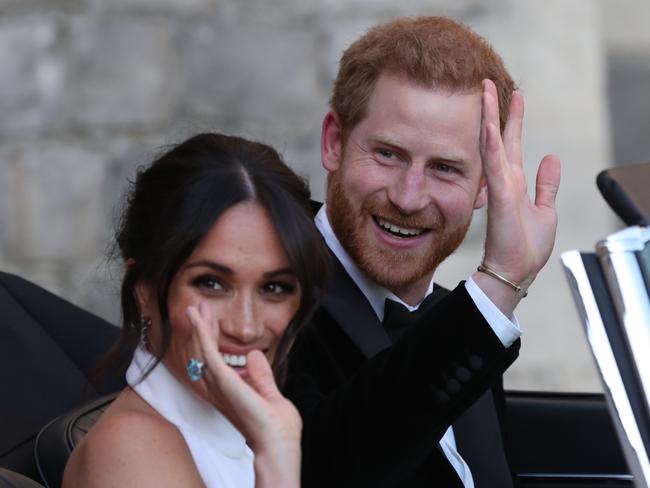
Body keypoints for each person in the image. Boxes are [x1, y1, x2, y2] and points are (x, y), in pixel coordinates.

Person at [284, 16, 561, 487]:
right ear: (334, 142)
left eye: (446, 168)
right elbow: (323, 467)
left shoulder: (463, 322)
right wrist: (499, 284)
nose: (409, 197)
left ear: (483, 188)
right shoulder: (264, 295)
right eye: (388, 154)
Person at [62, 133, 330, 488]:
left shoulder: (234, 433)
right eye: (212, 284)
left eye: (274, 288)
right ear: (143, 288)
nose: (246, 327)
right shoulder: (132, 450)